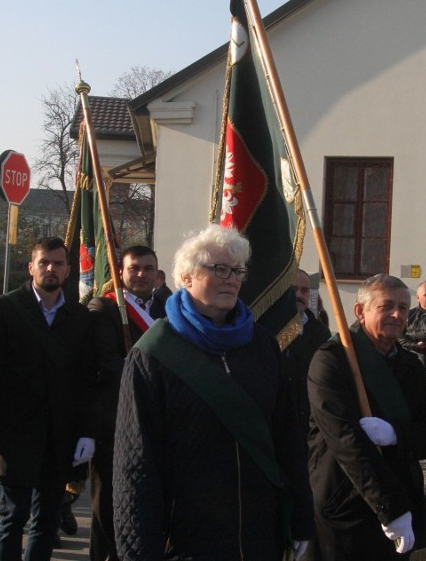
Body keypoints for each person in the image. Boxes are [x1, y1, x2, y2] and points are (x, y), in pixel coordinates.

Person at [113, 224, 315, 560]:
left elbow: (287, 438)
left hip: (258, 536)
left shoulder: (262, 344)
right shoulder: (153, 354)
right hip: (185, 541)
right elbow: (135, 466)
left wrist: (301, 518)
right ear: (187, 277)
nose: (232, 278)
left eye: (237, 271)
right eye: (219, 269)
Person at [0, 237, 97, 561]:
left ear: (68, 270)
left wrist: (87, 431)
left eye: (57, 263)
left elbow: (86, 380)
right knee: (12, 517)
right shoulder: (5, 308)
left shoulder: (79, 317)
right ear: (31, 267)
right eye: (44, 262)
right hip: (15, 435)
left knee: (46, 521)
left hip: (59, 437)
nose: (50, 269)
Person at [306, 274, 426, 560]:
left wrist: (396, 435)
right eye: (386, 306)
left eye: (403, 308)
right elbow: (346, 441)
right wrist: (390, 508)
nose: (396, 314)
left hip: (400, 501)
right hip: (346, 503)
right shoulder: (331, 359)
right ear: (360, 311)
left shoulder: (410, 366)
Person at [86, 245, 166, 561]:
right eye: (134, 268)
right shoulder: (105, 309)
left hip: (157, 419)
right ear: (122, 272)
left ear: (158, 275)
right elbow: (106, 361)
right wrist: (152, 379)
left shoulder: (167, 308)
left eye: (148, 269)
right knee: (108, 504)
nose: (141, 274)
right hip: (116, 419)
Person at [286, 268, 331, 439]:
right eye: (293, 289)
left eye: (304, 290)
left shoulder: (320, 332)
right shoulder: (269, 329)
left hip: (309, 418)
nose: (299, 294)